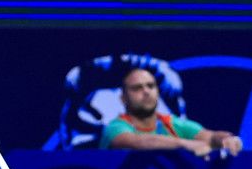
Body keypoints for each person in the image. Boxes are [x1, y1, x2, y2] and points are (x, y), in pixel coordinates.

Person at [99, 66, 242, 156]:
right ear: (123, 98)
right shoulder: (115, 127)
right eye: (137, 88)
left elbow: (210, 137)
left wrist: (225, 139)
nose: (146, 92)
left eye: (151, 86)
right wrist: (185, 144)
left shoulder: (174, 124)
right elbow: (136, 142)